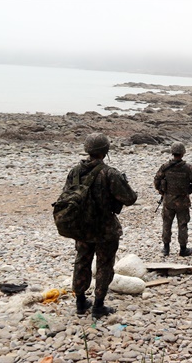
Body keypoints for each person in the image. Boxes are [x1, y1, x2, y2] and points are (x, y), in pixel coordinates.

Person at [65, 133, 138, 318]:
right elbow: (130, 199)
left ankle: (80, 302)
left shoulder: (75, 171)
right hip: (105, 228)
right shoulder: (110, 174)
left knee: (81, 261)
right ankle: (98, 305)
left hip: (81, 227)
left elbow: (66, 196)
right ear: (105, 151)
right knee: (105, 265)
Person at [154, 142, 192, 257]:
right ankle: (183, 249)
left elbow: (156, 180)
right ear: (183, 153)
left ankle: (166, 248)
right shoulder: (188, 168)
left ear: (172, 152)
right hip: (183, 201)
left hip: (168, 200)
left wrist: (162, 191)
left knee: (166, 223)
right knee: (183, 225)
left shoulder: (165, 167)